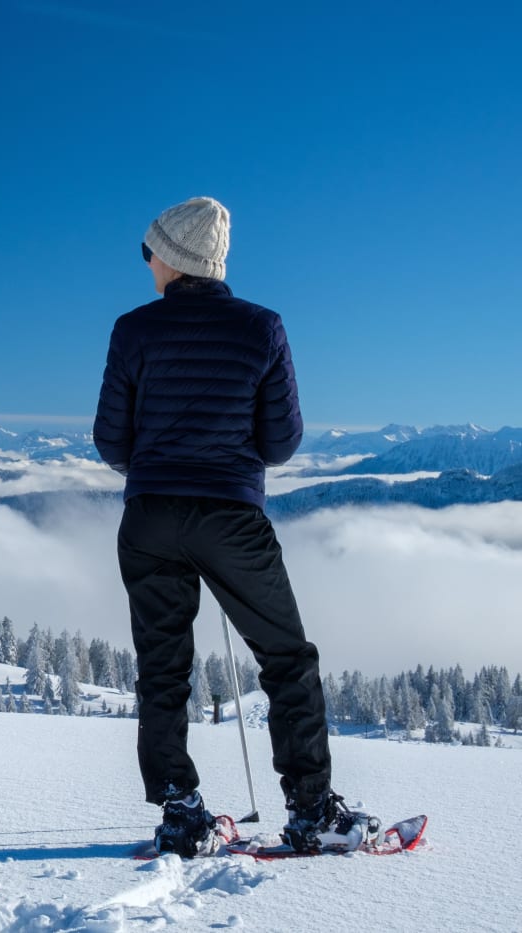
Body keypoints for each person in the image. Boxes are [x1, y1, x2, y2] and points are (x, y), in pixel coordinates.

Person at [93, 196, 376, 856]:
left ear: (175, 257)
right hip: (231, 517)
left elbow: (112, 441)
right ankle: (311, 807)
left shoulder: (132, 331)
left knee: (162, 667)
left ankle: (180, 809)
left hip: (152, 514)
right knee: (285, 656)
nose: (146, 263)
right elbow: (281, 442)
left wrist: (161, 460)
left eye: (149, 251)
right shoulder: (263, 328)